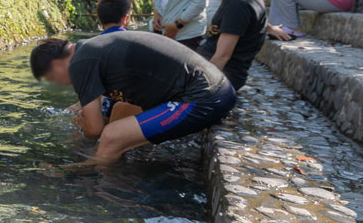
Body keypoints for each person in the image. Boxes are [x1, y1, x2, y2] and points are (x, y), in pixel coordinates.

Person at [29, 31, 236, 165]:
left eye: (51, 79)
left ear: (57, 65)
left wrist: (85, 130)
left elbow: (94, 130)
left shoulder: (80, 63)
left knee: (111, 136)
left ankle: (91, 184)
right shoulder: (91, 49)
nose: (58, 84)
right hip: (214, 88)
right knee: (118, 114)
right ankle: (118, 166)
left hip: (203, 96)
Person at [198, 0, 272, 90]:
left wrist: (195, 87)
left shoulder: (240, 4)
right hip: (214, 71)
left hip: (222, 79)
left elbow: (222, 57)